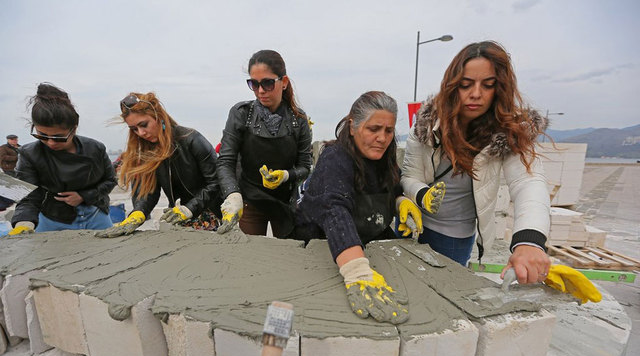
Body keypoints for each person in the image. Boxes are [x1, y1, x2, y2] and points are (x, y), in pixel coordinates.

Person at [401, 40, 551, 284]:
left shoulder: (509, 132)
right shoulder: (426, 125)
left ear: (500, 87)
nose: (476, 94)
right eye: (466, 84)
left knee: (444, 295)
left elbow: (528, 182)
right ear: (452, 86)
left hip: (454, 236)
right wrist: (421, 196)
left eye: (488, 85)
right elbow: (410, 175)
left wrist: (529, 240)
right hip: (412, 224)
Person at [295, 91, 423, 325]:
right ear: (353, 126)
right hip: (325, 242)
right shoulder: (335, 158)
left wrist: (399, 201)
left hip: (367, 237)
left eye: (388, 130)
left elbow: (392, 184)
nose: (382, 138)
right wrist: (356, 270)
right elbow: (335, 210)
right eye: (373, 129)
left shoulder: (384, 154)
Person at [96, 92, 222, 238]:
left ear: (158, 115)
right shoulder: (144, 151)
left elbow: (216, 182)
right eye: (134, 129)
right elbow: (147, 191)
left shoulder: (192, 139)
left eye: (144, 125)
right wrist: (138, 213)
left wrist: (190, 209)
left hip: (208, 212)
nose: (141, 133)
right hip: (176, 214)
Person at [216, 49, 312, 237]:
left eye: (267, 83)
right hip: (249, 199)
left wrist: (286, 175)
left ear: (283, 82)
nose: (260, 91)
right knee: (251, 256)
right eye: (254, 84)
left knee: (288, 253)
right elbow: (225, 161)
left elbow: (305, 167)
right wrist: (232, 194)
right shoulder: (241, 113)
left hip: (284, 202)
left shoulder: (298, 120)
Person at [8, 83, 116, 235]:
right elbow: (28, 197)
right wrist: (23, 223)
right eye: (42, 136)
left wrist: (83, 196)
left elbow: (110, 180)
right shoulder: (29, 154)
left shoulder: (95, 149)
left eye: (59, 137)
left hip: (95, 214)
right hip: (52, 218)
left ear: (74, 128)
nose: (51, 143)